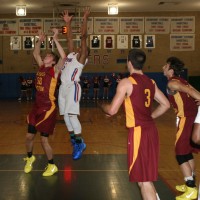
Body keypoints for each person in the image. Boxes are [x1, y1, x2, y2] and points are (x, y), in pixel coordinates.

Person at [102, 49, 170, 200]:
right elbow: (165, 104)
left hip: (139, 133)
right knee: (145, 179)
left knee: (144, 180)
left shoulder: (127, 82)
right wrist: (150, 116)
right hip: (152, 131)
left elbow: (112, 110)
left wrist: (103, 107)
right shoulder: (151, 82)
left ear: (129, 62)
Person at [24, 28, 66, 176]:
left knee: (43, 140)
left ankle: (52, 165)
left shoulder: (55, 70)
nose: (45, 56)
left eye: (48, 55)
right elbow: (35, 53)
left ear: (53, 61)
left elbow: (64, 56)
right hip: (37, 106)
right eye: (46, 55)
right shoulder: (42, 66)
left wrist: (55, 39)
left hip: (48, 108)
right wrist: (39, 41)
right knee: (29, 136)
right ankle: (30, 158)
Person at [162, 57, 200, 200]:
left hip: (186, 119)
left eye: (166, 65)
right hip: (191, 117)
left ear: (171, 70)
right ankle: (190, 183)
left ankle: (191, 189)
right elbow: (191, 88)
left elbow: (189, 90)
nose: (163, 67)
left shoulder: (173, 82)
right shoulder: (180, 80)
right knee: (187, 151)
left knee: (180, 153)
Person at [58, 8, 90, 160]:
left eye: (82, 48)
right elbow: (69, 39)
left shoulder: (81, 59)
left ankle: (80, 143)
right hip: (63, 87)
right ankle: (74, 140)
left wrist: (84, 18)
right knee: (65, 116)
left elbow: (83, 37)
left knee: (72, 115)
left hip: (73, 87)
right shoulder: (71, 54)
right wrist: (68, 23)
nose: (78, 47)